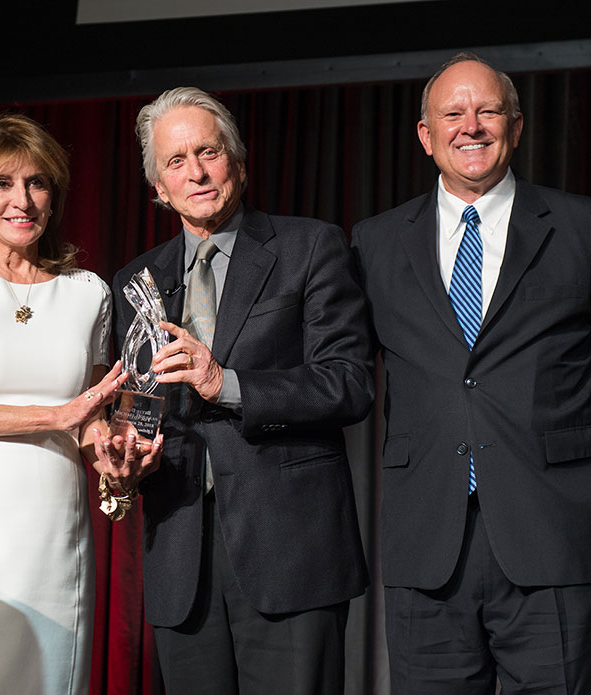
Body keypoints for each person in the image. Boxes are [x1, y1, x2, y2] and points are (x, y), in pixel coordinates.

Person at [351, 53, 591, 693]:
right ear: (426, 136)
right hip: (428, 551)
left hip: (560, 539)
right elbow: (344, 374)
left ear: (516, 127)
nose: (471, 126)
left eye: (488, 110)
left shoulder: (585, 229)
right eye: (453, 114)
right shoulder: (374, 243)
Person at [112, 87, 373, 695]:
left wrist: (223, 383)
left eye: (208, 152)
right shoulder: (137, 281)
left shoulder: (310, 247)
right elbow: (140, 409)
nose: (196, 172)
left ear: (240, 164)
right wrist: (124, 455)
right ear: (158, 187)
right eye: (176, 161)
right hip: (181, 554)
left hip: (290, 551)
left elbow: (349, 382)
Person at [0, 113, 159, 695]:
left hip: (57, 536)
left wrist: (116, 458)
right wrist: (55, 416)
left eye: (37, 183)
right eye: (1, 183)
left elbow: (91, 419)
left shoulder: (88, 293)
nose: (23, 199)